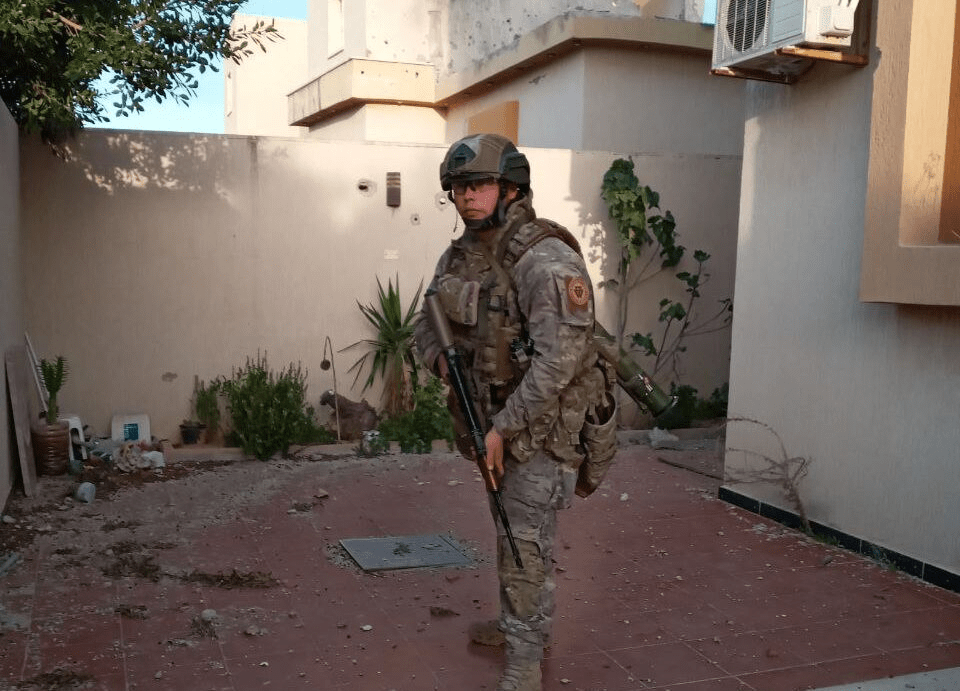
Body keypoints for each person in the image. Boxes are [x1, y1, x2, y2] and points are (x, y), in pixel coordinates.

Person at [415, 133, 612, 691]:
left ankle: (525, 661)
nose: (465, 196)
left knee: (523, 541)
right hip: (488, 422)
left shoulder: (545, 260)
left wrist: (502, 428)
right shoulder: (460, 256)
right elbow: (425, 324)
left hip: (540, 429)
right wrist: (441, 362)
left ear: (510, 188)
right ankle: (521, 628)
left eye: (478, 184)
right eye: (457, 187)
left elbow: (559, 362)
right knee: (513, 534)